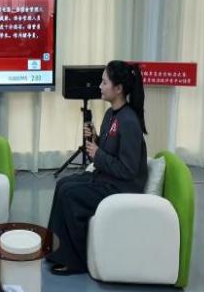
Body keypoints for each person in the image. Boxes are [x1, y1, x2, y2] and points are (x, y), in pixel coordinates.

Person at [47, 60, 148, 275]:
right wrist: (96, 138)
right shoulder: (111, 114)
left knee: (70, 194)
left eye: (104, 83)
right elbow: (110, 149)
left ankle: (76, 261)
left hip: (120, 187)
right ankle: (56, 250)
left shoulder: (129, 121)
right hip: (106, 178)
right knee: (63, 184)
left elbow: (128, 170)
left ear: (118, 89)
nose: (99, 86)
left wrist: (98, 154)